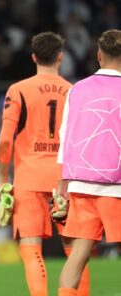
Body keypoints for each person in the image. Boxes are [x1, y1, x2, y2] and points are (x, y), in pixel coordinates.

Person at [0, 32, 89, 296]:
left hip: (28, 177)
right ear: (61, 56)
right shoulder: (74, 92)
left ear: (34, 57)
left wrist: (3, 179)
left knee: (31, 246)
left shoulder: (18, 90)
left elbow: (5, 140)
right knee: (75, 249)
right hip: (66, 179)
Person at [58, 29, 121, 296]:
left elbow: (65, 136)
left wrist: (62, 186)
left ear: (98, 55)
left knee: (79, 253)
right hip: (117, 184)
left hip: (81, 183)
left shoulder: (77, 89)